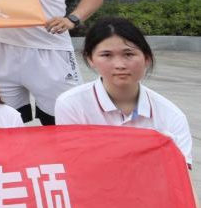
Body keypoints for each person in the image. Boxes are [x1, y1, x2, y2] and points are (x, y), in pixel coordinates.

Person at [55, 17, 192, 168]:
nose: (120, 65)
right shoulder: (71, 104)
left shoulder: (171, 115)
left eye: (129, 54)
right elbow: (72, 164)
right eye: (106, 55)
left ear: (147, 58)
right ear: (90, 59)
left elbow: (180, 175)